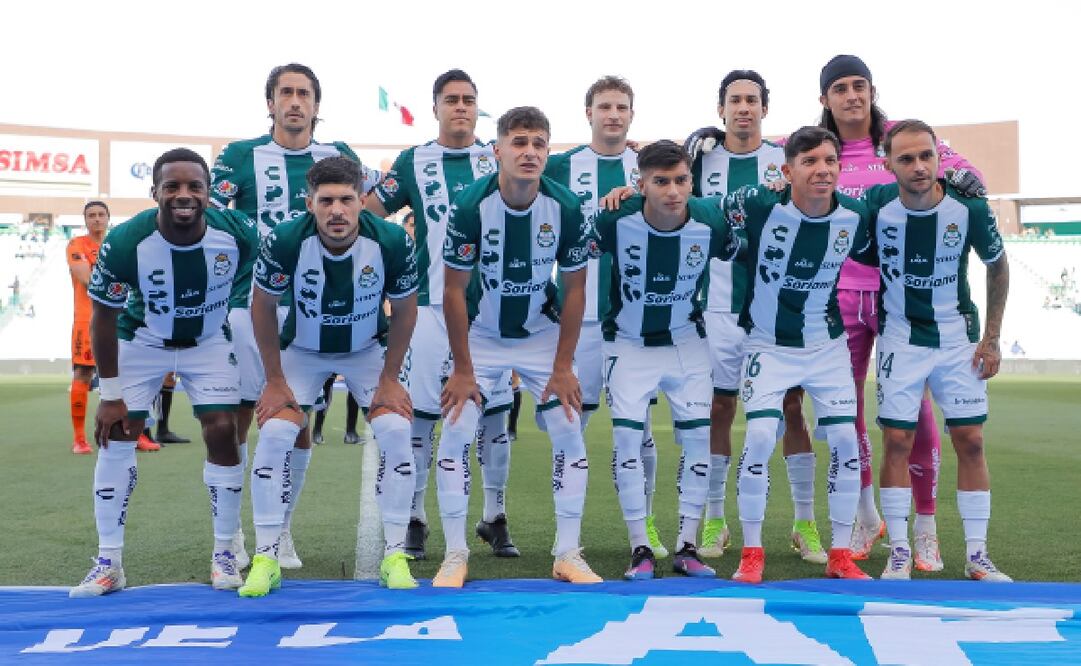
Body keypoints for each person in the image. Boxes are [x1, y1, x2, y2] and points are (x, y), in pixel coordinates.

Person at [70, 148, 258, 597]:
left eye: (195, 186)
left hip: (208, 342)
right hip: (142, 341)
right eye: (172, 186)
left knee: (223, 429)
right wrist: (110, 393)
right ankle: (109, 562)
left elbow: (262, 284)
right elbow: (103, 317)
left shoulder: (239, 233)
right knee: (118, 434)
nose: (183, 195)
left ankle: (225, 551)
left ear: (209, 193)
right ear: (154, 191)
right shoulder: (126, 241)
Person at [210, 63, 377, 570]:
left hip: (313, 306)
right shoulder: (239, 156)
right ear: (271, 103)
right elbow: (213, 217)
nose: (296, 101)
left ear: (317, 105)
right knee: (239, 415)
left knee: (297, 417)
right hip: (251, 302)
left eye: (305, 93)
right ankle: (230, 537)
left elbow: (371, 204)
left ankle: (280, 529)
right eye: (286, 92)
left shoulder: (338, 155)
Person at [239, 157, 419, 596]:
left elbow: (406, 309)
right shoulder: (285, 239)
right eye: (326, 201)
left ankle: (395, 555)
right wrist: (275, 380)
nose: (337, 210)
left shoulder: (392, 240)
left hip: (367, 350)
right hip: (302, 350)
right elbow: (262, 306)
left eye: (346, 200)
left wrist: (391, 377)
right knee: (275, 435)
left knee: (397, 431)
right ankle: (266, 557)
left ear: (361, 201)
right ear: (310, 204)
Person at [435, 106, 599, 587]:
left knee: (569, 429)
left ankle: (567, 553)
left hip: (539, 334)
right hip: (481, 335)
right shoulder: (470, 205)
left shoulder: (566, 207)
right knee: (457, 430)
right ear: (498, 151)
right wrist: (463, 369)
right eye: (519, 142)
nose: (529, 152)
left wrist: (563, 367)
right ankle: (455, 554)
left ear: (548, 151)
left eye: (539, 144)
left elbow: (574, 289)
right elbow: (452, 291)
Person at [367, 69, 517, 560]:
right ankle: (415, 517)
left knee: (494, 415)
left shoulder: (498, 155)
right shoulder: (413, 161)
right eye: (451, 99)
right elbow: (369, 212)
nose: (461, 107)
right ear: (435, 108)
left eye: (468, 99)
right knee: (422, 416)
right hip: (430, 307)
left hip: (491, 309)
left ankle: (494, 516)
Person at [685, 70, 824, 563]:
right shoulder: (700, 160)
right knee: (719, 409)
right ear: (720, 109)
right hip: (719, 304)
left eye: (751, 100)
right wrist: (684, 153)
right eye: (734, 100)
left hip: (774, 307)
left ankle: (805, 523)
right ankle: (715, 520)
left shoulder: (784, 159)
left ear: (765, 108)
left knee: (791, 408)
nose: (743, 108)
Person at [725, 127, 873, 583]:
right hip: (767, 344)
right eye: (809, 162)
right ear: (787, 171)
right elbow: (693, 206)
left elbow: (901, 199)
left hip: (826, 345)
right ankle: (752, 553)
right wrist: (629, 195)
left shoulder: (856, 215)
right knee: (760, 436)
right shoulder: (758, 203)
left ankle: (840, 554)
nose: (822, 170)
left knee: (845, 439)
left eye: (829, 161)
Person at [866, 120, 1011, 582]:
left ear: (938, 157)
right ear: (888, 165)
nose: (918, 166)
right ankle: (900, 552)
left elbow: (997, 265)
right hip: (900, 338)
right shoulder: (876, 204)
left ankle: (977, 555)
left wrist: (991, 337)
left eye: (926, 155)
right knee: (896, 441)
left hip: (957, 340)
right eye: (906, 158)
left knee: (971, 440)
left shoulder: (968, 208)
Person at [594, 140, 738, 580]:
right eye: (660, 182)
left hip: (686, 344)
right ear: (641, 185)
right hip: (628, 343)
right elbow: (576, 257)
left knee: (698, 442)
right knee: (627, 441)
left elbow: (744, 246)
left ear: (691, 181)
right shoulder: (614, 217)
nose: (673, 191)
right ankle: (640, 547)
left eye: (680, 180)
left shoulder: (711, 220)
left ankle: (687, 547)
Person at [545, 75, 670, 556]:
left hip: (632, 321)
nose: (613, 115)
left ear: (632, 115)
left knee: (638, 430)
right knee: (569, 426)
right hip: (576, 321)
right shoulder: (560, 166)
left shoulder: (650, 167)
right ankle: (567, 535)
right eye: (604, 107)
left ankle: (646, 526)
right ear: (588, 114)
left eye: (621, 107)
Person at [66, 201, 158, 454]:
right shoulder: (77, 245)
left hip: (123, 318)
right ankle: (79, 438)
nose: (96, 219)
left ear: (108, 218)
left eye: (100, 215)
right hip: (88, 319)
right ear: (85, 220)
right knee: (83, 373)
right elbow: (87, 278)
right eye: (91, 215)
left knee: (130, 374)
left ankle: (135, 433)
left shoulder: (118, 242)